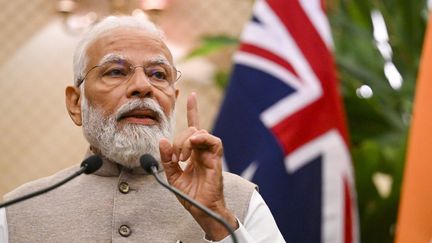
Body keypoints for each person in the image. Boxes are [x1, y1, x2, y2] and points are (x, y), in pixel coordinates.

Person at [0, 16, 285, 243]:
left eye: (158, 75)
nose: (143, 87)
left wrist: (217, 221)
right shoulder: (17, 212)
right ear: (76, 103)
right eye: (116, 71)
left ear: (173, 100)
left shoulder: (240, 200)